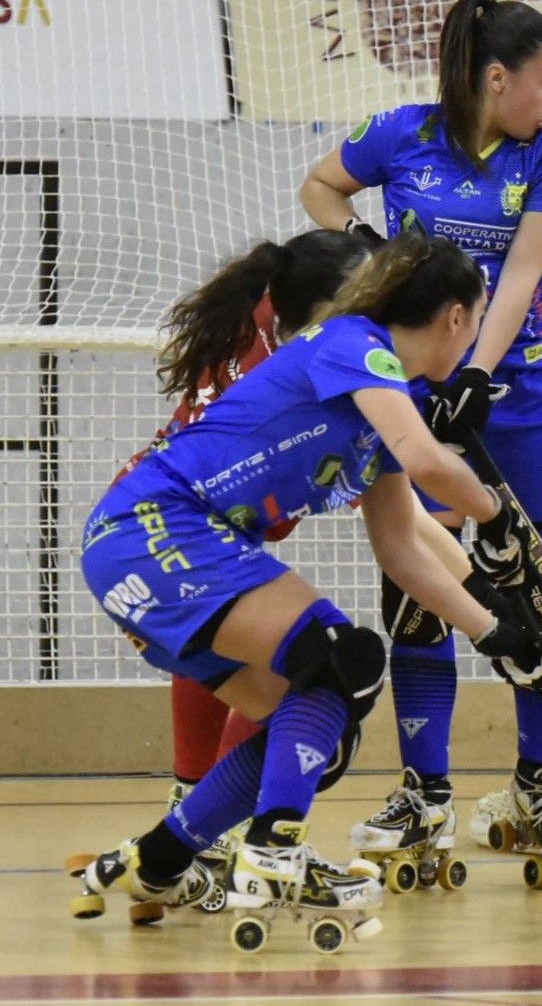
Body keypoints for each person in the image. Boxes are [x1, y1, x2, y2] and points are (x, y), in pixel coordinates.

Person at [76, 234, 542, 922]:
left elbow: (402, 550)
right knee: (343, 658)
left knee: (312, 729)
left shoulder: (381, 393)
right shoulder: (355, 343)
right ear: (455, 318)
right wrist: (495, 518)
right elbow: (429, 462)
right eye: (478, 321)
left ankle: (159, 860)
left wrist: (500, 636)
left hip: (152, 546)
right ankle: (275, 851)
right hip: (160, 529)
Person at [299, 0, 542, 878]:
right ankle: (425, 789)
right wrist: (368, 253)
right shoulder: (402, 132)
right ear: (494, 77)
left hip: (526, 386)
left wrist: (477, 371)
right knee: (422, 579)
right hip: (420, 388)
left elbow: (522, 276)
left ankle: (541, 783)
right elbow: (319, 186)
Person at [126, 232, 368, 841]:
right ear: (329, 313)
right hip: (180, 540)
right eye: (371, 290)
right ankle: (230, 838)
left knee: (218, 652)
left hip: (139, 526)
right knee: (310, 683)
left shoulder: (265, 312)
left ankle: (189, 821)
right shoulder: (307, 384)